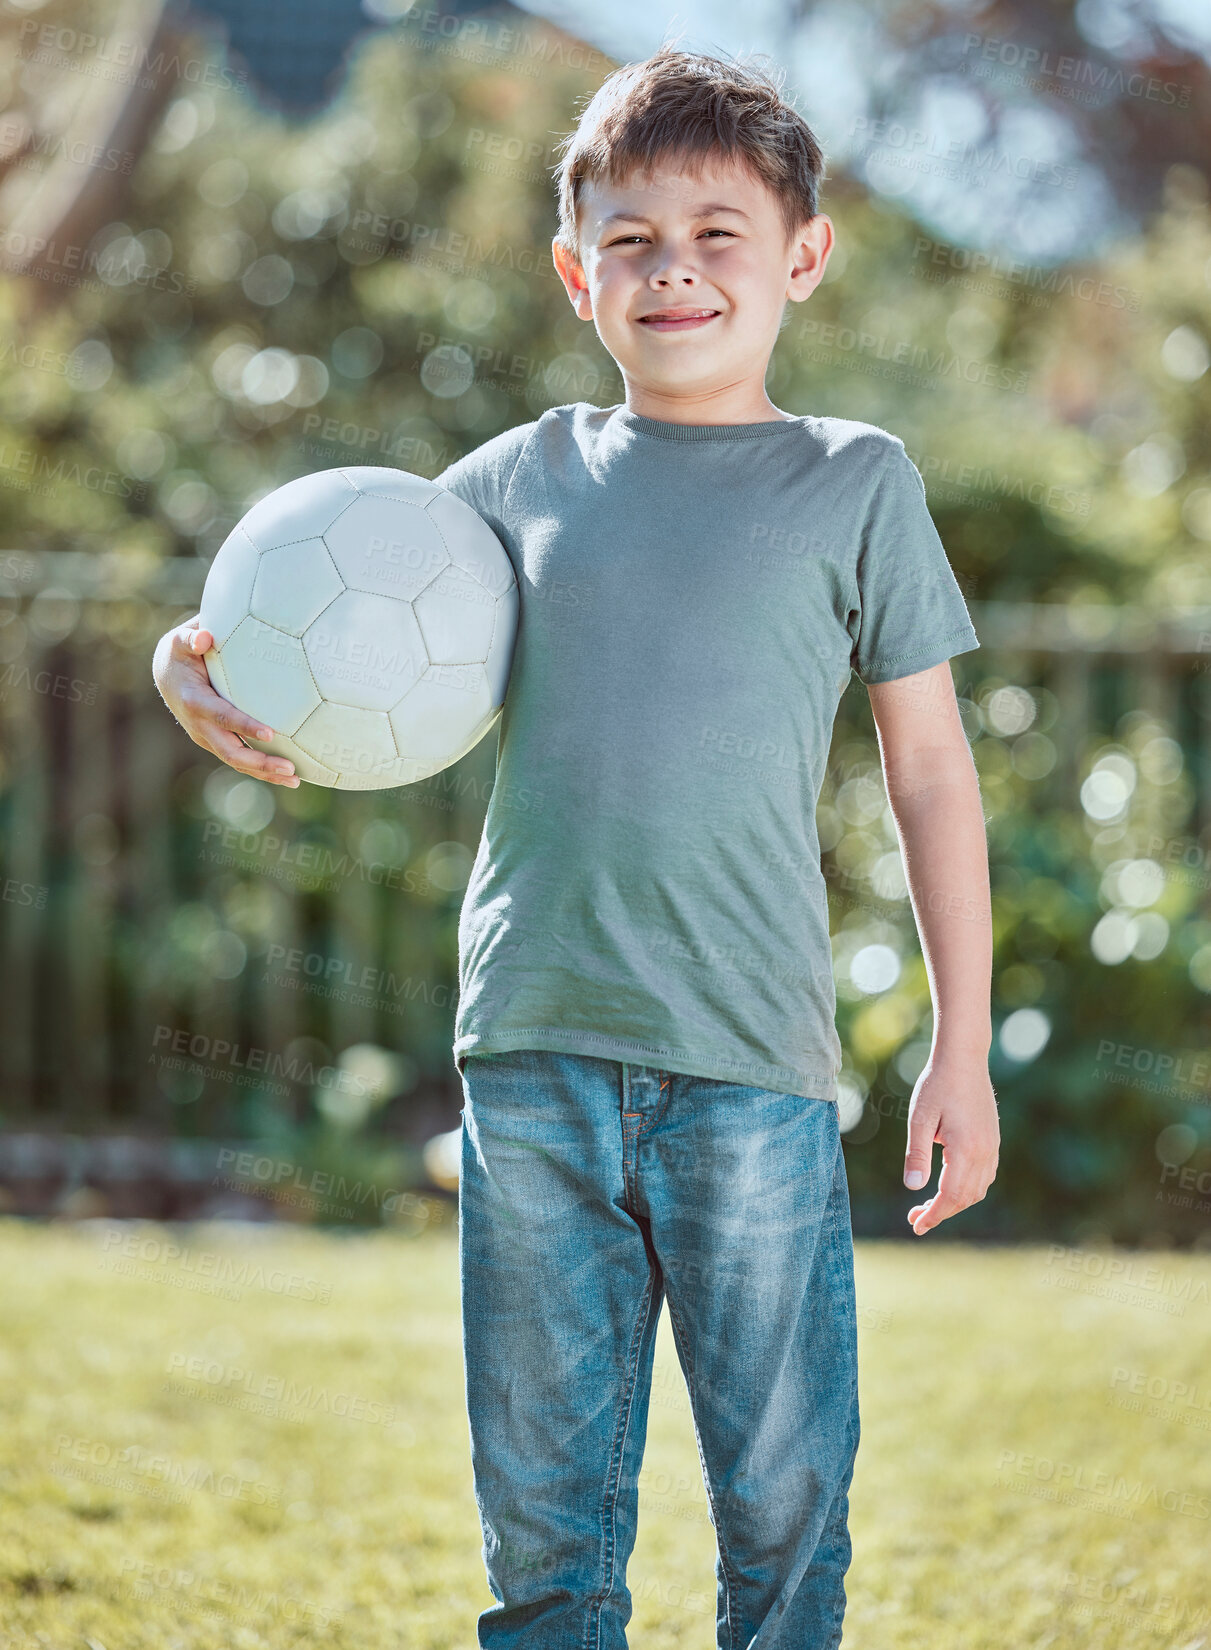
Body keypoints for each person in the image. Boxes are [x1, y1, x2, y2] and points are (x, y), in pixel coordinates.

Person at [152, 43, 999, 1650]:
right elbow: (305, 609)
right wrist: (177, 667)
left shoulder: (857, 484)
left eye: (717, 230)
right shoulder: (511, 484)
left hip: (751, 1066)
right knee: (544, 1525)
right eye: (630, 236)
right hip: (532, 1057)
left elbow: (934, 769)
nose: (671, 265)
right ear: (573, 270)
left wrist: (962, 1043)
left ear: (803, 256)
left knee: (784, 1510)